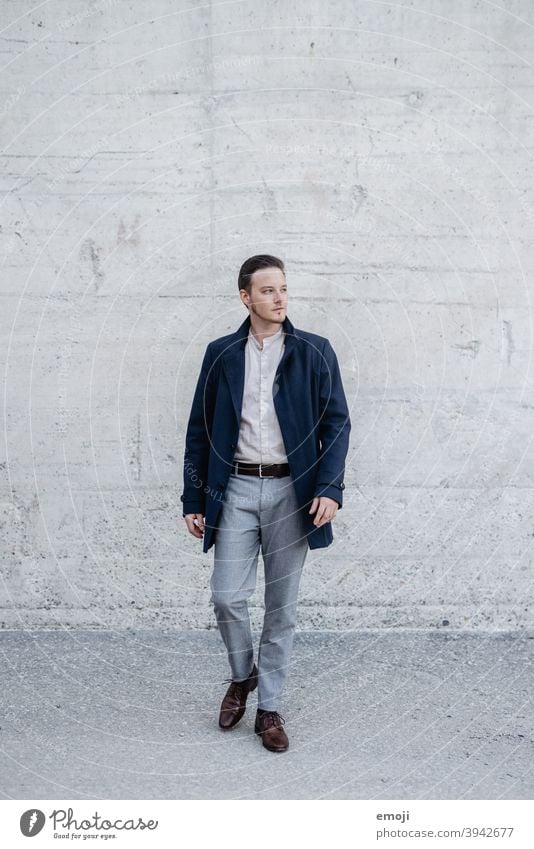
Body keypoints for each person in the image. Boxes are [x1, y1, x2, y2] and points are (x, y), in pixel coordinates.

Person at [181, 254, 351, 752]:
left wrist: (330, 488)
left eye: (284, 289)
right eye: (269, 290)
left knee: (281, 606)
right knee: (226, 596)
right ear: (246, 297)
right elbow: (199, 428)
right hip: (232, 488)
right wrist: (194, 496)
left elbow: (336, 423)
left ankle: (270, 706)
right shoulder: (221, 354)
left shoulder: (314, 351)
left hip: (292, 494)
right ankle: (243, 675)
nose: (280, 299)